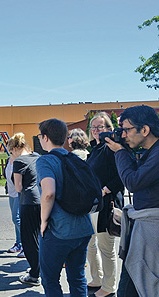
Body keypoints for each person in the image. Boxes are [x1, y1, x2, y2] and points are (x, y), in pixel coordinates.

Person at [105, 105, 159, 297]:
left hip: (151, 233)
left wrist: (120, 152)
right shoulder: (149, 152)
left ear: (144, 130)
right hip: (145, 229)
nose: (124, 135)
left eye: (126, 129)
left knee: (138, 285)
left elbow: (133, 182)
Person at [36, 118, 94, 297]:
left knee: (50, 278)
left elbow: (48, 193)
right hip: (83, 227)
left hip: (59, 229)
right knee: (77, 277)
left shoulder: (45, 161)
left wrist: (43, 221)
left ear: (45, 137)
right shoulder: (75, 158)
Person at [85, 112, 124, 297]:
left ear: (109, 128)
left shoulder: (111, 148)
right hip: (94, 205)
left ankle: (110, 287)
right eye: (93, 127)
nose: (96, 130)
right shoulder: (96, 149)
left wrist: (104, 190)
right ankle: (97, 279)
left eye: (100, 127)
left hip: (106, 204)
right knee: (91, 243)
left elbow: (121, 176)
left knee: (106, 247)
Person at [8, 133, 41, 286]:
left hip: (28, 202)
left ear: (15, 148)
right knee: (41, 237)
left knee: (28, 239)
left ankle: (34, 274)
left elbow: (18, 187)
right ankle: (41, 269)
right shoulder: (37, 156)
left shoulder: (19, 161)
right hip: (42, 199)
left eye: (10, 151)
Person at [4, 147, 23, 256]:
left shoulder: (20, 160)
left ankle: (27, 243)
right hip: (11, 193)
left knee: (16, 219)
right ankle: (19, 243)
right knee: (16, 220)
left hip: (18, 193)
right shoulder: (9, 159)